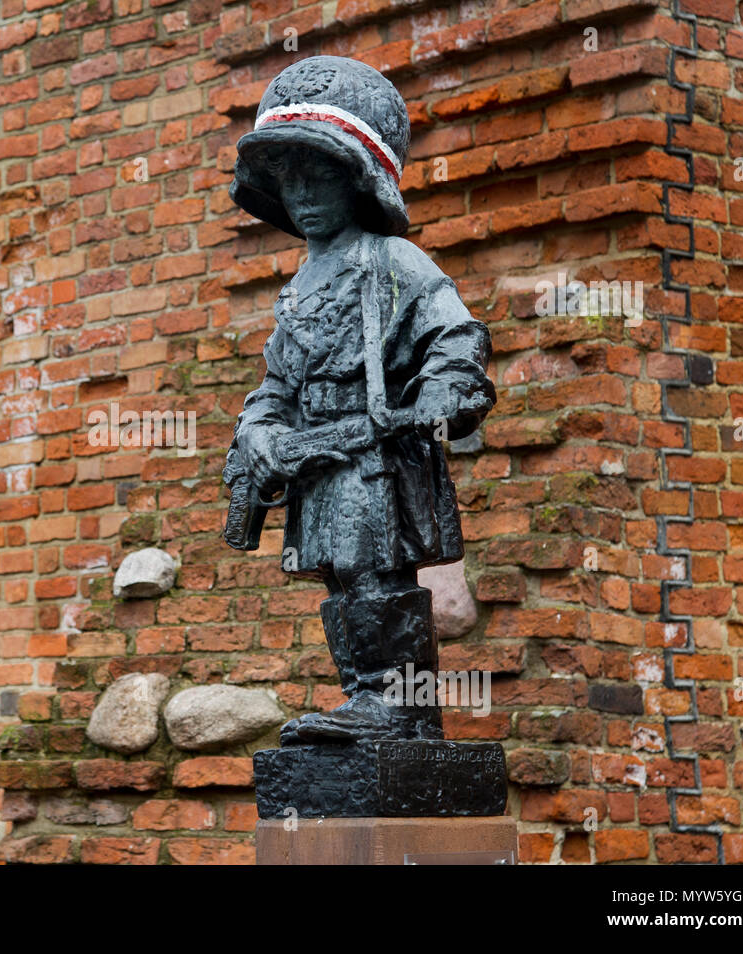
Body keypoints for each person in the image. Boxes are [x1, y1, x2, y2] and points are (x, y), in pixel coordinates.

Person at [223, 56, 496, 744]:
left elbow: (456, 338)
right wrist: (258, 434)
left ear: (358, 179)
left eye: (319, 176)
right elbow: (275, 386)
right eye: (289, 182)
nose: (304, 196)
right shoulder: (300, 286)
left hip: (373, 455)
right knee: (340, 582)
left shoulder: (394, 263)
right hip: (317, 461)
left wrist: (443, 391)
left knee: (375, 575)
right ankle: (365, 698)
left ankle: (399, 709)